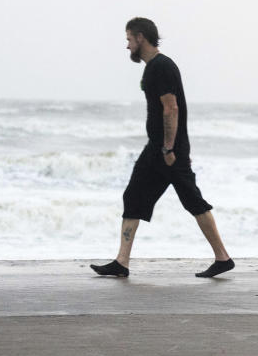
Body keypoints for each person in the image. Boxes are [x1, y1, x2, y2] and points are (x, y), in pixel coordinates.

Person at [90, 17, 234, 278]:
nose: (127, 46)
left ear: (140, 37)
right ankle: (121, 262)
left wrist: (169, 149)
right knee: (133, 197)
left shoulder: (162, 67)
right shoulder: (153, 68)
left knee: (193, 201)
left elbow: (172, 107)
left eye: (128, 39)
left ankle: (223, 257)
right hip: (157, 149)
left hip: (169, 151)